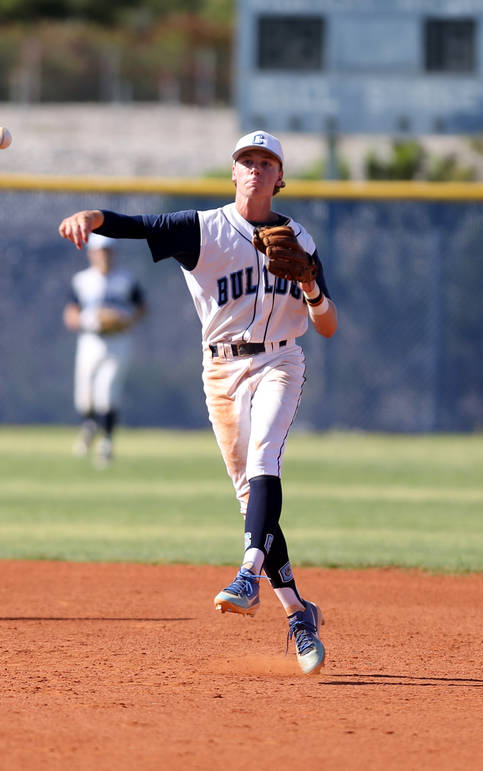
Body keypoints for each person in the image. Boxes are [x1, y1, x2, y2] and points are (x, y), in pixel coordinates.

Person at [57, 131, 338, 675]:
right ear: (233, 173)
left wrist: (310, 284)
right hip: (221, 369)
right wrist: (92, 216)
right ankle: (299, 613)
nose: (255, 169)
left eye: (265, 162)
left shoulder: (299, 239)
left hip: (281, 360)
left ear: (280, 177)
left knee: (264, 459)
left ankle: (248, 572)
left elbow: (326, 325)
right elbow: (137, 227)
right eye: (246, 161)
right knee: (247, 496)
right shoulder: (204, 229)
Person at [63, 232, 147, 468]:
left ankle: (107, 442)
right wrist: (91, 321)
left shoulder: (125, 279)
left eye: (108, 251)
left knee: (107, 392)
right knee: (84, 396)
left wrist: (124, 319)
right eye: (100, 251)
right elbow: (70, 314)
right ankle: (89, 426)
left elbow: (141, 308)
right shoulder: (82, 280)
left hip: (117, 341)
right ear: (91, 253)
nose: (105, 256)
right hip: (90, 341)